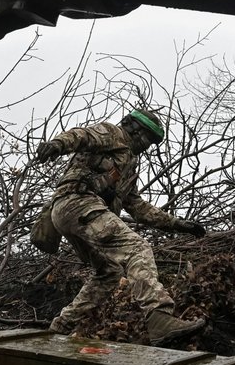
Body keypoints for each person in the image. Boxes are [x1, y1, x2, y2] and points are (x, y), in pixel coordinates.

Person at [35, 109, 207, 346]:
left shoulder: (128, 165)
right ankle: (159, 317)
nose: (147, 146)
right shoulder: (113, 133)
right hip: (78, 202)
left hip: (72, 212)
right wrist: (56, 145)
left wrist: (176, 224)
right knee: (137, 249)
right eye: (147, 138)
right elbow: (81, 135)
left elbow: (136, 205)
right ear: (133, 127)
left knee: (109, 273)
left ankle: (60, 327)